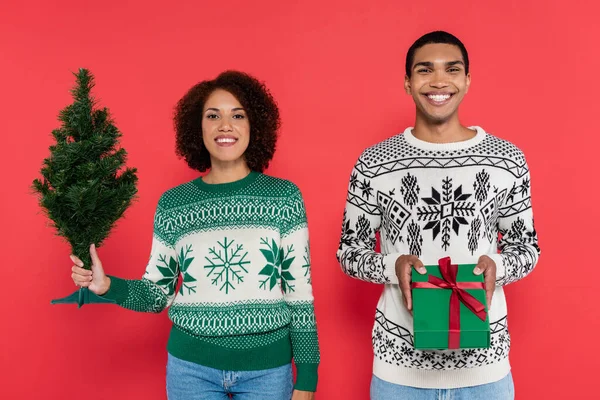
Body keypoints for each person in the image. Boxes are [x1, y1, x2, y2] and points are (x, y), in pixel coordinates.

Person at [71, 71, 319, 400]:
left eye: (238, 115)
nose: (225, 126)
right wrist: (106, 286)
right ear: (197, 127)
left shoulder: (284, 198)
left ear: (254, 126)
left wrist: (308, 376)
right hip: (191, 371)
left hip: (268, 372)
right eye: (213, 115)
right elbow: (156, 294)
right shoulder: (173, 205)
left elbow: (299, 294)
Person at [336, 31, 540, 399]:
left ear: (467, 80)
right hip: (399, 373)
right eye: (425, 70)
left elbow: (527, 248)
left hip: (485, 372)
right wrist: (393, 266)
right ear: (407, 82)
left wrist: (498, 266)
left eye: (452, 69)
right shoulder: (373, 163)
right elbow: (349, 252)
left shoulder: (508, 160)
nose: (438, 81)